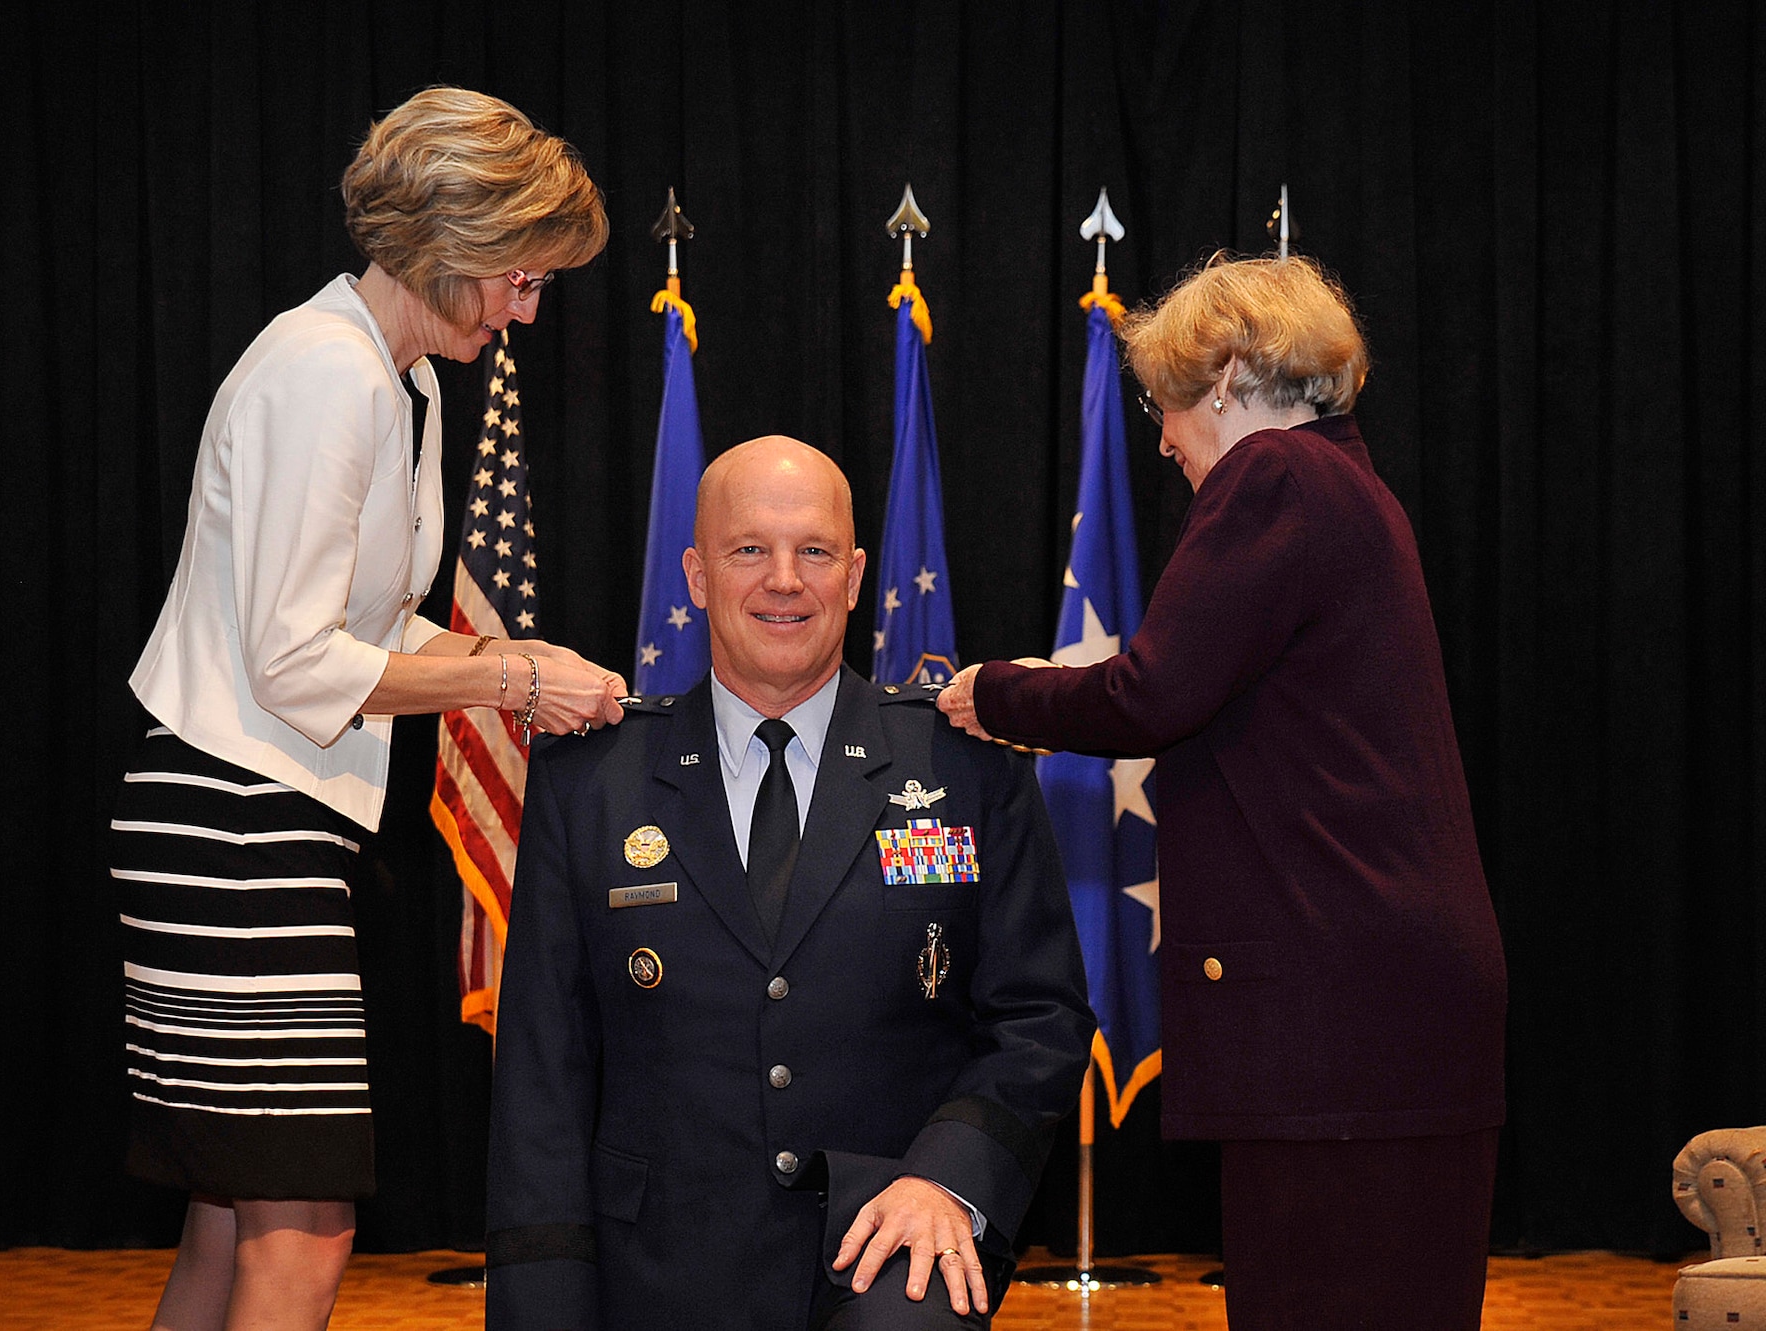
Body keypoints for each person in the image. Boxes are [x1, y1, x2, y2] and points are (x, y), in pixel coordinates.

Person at [112, 87, 624, 1331]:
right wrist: (509, 677)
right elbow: (294, 659)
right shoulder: (324, 371)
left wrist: (523, 659)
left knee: (234, 1219)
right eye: (517, 275)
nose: (527, 305)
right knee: (305, 1225)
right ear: (446, 241)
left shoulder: (406, 385)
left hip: (265, 816)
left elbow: (378, 623)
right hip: (231, 819)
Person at [937, 254, 1508, 1331]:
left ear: (1233, 371)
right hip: (1388, 1003)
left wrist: (993, 692)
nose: (1159, 437)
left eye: (1165, 402)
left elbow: (1153, 692)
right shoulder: (1352, 485)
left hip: (1335, 1011)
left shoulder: (1277, 477)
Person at [484, 437, 1094, 1329]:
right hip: (655, 1261)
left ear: (853, 578)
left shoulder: (962, 762)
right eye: (748, 550)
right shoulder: (594, 778)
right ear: (695, 575)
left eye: (813, 551)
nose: (783, 579)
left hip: (891, 1238)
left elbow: (1040, 1015)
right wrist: (541, 1293)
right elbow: (544, 1062)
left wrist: (949, 1178)